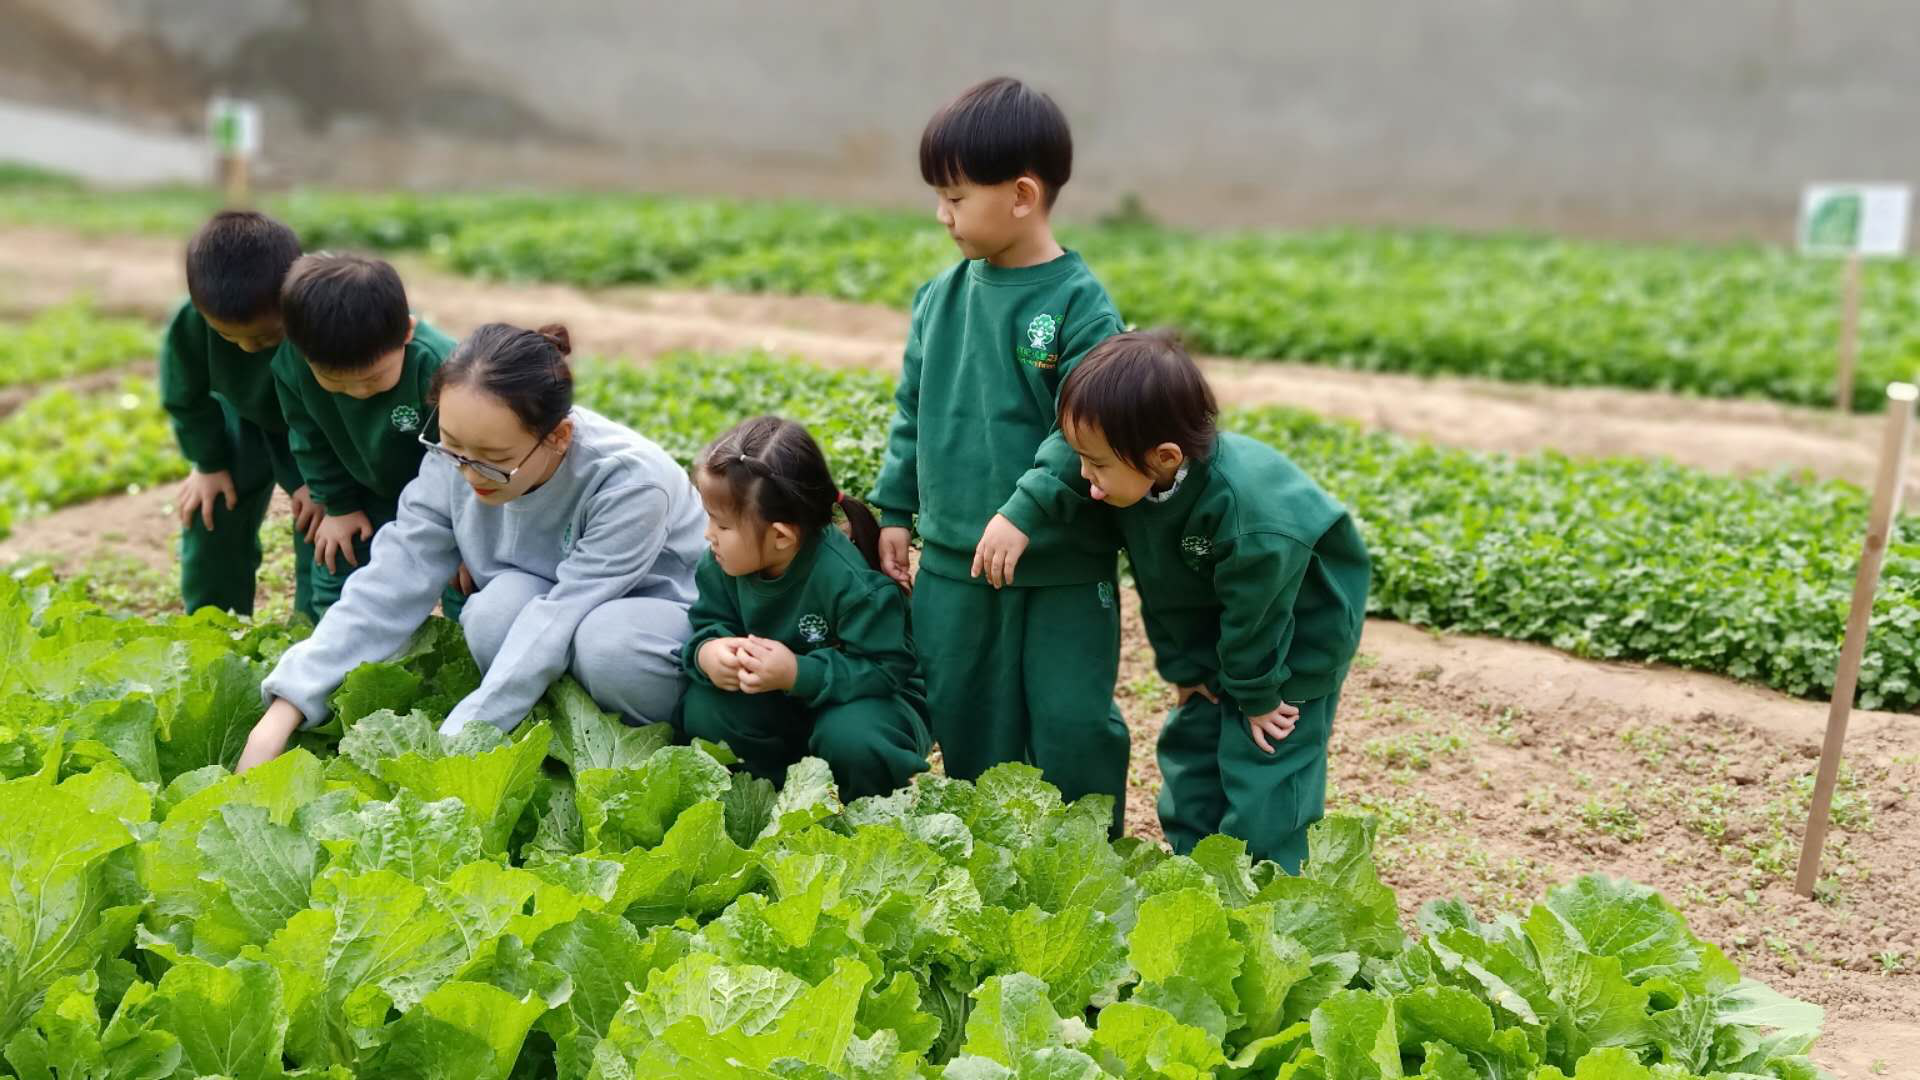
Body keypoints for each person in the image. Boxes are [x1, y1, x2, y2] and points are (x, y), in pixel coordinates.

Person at [237, 322, 706, 770]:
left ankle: (651, 752)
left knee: (606, 645)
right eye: (452, 447)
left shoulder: (630, 483)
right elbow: (391, 579)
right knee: (492, 612)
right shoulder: (461, 457)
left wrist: (455, 747)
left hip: (650, 616)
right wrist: (285, 709)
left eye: (496, 461)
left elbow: (560, 615)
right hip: (553, 607)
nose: (470, 474)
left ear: (559, 437)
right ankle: (550, 738)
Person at [869, 76, 1129, 826]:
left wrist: (1023, 511)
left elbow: (1085, 428)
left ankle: (1084, 857)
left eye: (956, 196)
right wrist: (895, 508)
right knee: (967, 715)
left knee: (1071, 723)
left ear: (1021, 195)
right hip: (953, 562)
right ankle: (987, 862)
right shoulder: (938, 300)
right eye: (939, 196)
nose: (941, 214)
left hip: (1059, 569)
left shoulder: (1079, 304)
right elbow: (911, 413)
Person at [1057, 330, 1371, 872]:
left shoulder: (1248, 516)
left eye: (1097, 464)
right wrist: (1188, 669)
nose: (1087, 478)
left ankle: (1270, 888)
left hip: (1295, 635)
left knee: (1266, 760)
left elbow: (1259, 615)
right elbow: (1162, 589)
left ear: (1164, 456)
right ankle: (1194, 871)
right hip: (1221, 623)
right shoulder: (1135, 487)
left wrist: (1258, 694)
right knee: (1194, 742)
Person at [679, 416, 930, 799]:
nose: (708, 534)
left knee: (853, 739)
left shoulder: (850, 583)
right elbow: (708, 623)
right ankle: (773, 798)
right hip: (780, 700)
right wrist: (708, 652)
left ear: (780, 536)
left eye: (722, 525)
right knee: (706, 708)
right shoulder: (722, 563)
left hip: (864, 702)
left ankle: (866, 808)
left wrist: (799, 672)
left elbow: (888, 669)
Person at [272, 252, 461, 617]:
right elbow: (309, 436)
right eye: (335, 383)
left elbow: (467, 460)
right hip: (362, 493)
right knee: (335, 564)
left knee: (468, 583)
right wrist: (338, 505)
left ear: (407, 331)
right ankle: (329, 657)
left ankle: (470, 661)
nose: (358, 392)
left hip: (446, 504)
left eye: (373, 379)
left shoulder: (445, 368)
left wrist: (468, 535)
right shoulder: (293, 365)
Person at [159, 211, 319, 620]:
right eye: (230, 337)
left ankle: (315, 631)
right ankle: (215, 623)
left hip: (316, 428)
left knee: (322, 524)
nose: (248, 348)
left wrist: (319, 484)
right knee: (211, 508)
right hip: (241, 419)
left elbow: (334, 409)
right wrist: (208, 463)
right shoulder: (192, 322)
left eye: (266, 336)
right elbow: (185, 395)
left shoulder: (317, 315)